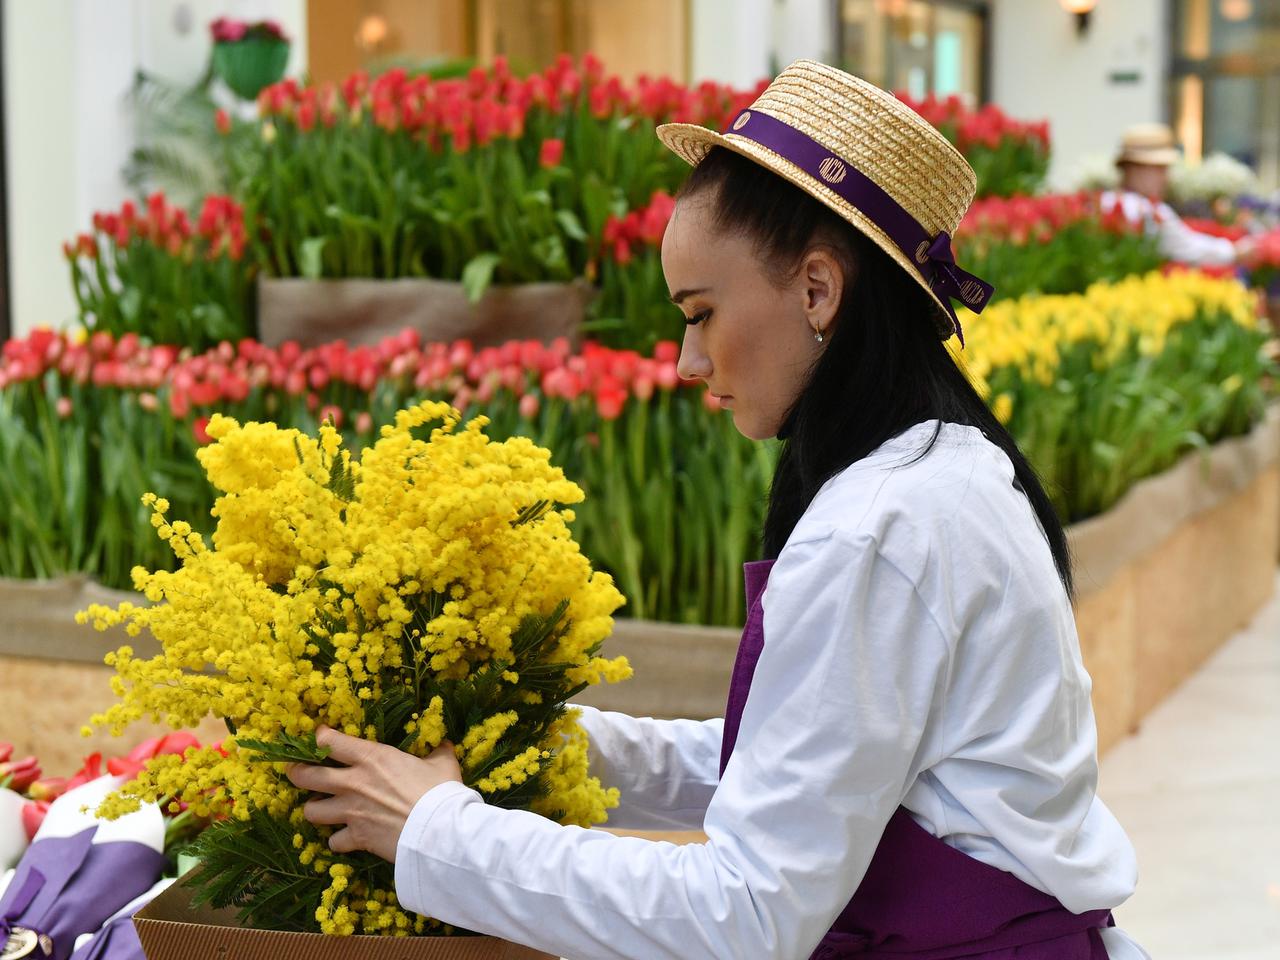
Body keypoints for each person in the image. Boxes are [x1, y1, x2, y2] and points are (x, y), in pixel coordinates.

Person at [286, 60, 1150, 959]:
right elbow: (813, 765)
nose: (687, 362)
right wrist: (538, 745)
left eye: (699, 313)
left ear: (818, 289)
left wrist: (435, 830)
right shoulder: (946, 475)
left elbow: (745, 913)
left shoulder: (880, 528)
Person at [1101, 122, 1257, 266]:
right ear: (1134, 169)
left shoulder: (1104, 202)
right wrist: (1235, 252)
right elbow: (1188, 247)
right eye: (1159, 169)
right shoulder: (1149, 211)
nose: (1165, 177)